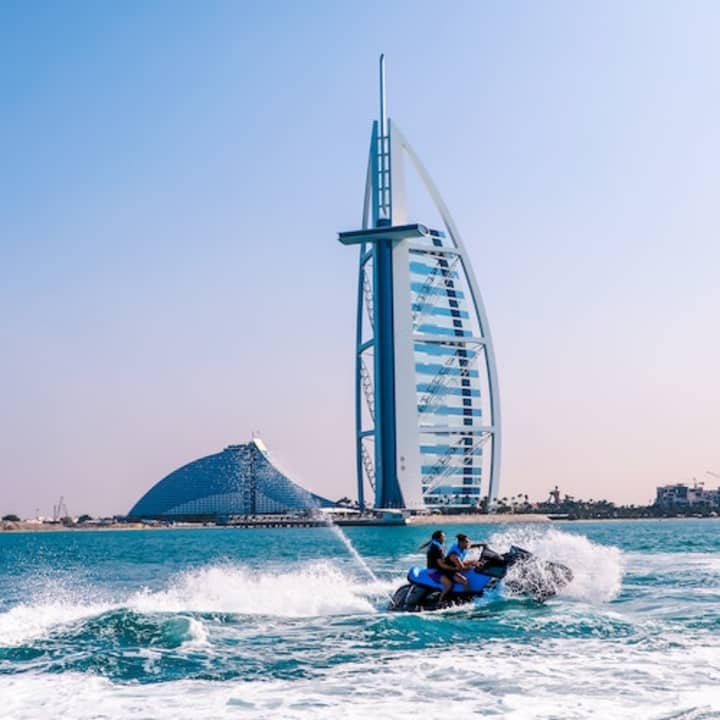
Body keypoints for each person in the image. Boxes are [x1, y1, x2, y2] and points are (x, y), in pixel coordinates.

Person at [419, 530, 464, 605]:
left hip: (437, 570)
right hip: (434, 572)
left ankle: (451, 596)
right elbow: (441, 565)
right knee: (448, 584)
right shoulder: (436, 548)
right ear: (438, 538)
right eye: (443, 537)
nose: (444, 539)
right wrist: (455, 568)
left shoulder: (434, 545)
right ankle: (440, 601)